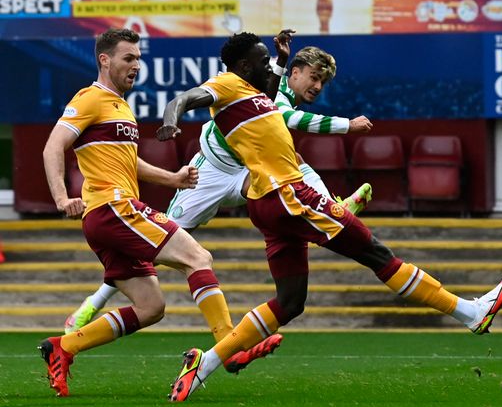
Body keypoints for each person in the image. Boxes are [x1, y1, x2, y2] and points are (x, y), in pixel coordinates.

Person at [155, 31, 502, 402]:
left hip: (269, 202)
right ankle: (470, 313)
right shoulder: (228, 85)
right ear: (243, 67)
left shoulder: (257, 96)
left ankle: (204, 367)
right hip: (290, 195)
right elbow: (187, 97)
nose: (269, 67)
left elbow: (273, 92)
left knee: (290, 302)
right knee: (377, 253)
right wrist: (171, 119)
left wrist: (278, 60)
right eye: (262, 62)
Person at [61, 37, 373, 375]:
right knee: (164, 243)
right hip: (208, 173)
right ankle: (96, 300)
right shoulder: (241, 86)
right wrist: (347, 124)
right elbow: (283, 114)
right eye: (313, 77)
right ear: (293, 73)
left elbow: (273, 100)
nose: (316, 86)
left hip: (244, 174)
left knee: (295, 166)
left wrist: (281, 61)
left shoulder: (268, 85)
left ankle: (334, 208)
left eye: (322, 82)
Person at [38, 28, 259, 397]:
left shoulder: (121, 105)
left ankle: (64, 346)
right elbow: (52, 147)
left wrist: (171, 178)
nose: (136, 65)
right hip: (113, 207)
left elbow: (130, 161)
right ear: (105, 60)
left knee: (151, 306)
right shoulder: (90, 97)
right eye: (128, 58)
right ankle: (230, 347)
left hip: (106, 217)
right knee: (197, 257)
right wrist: (62, 198)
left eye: (139, 59)